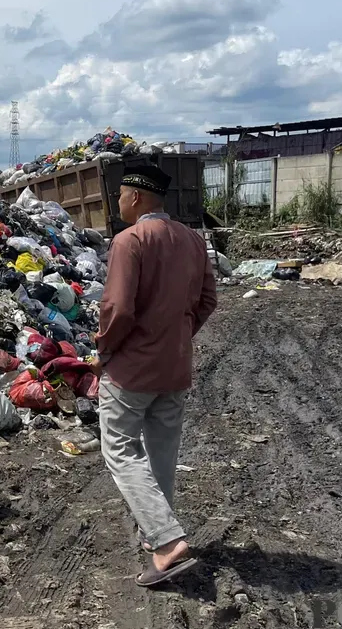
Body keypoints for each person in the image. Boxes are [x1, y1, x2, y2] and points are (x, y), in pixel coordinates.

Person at [96, 164, 218, 587]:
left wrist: (104, 350)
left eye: (121, 196)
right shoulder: (192, 240)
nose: (118, 203)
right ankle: (158, 536)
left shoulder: (129, 241)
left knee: (120, 451)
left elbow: (117, 309)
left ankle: (167, 543)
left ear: (137, 198)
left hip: (131, 370)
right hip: (175, 366)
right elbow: (206, 300)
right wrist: (177, 336)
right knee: (162, 454)